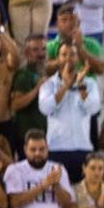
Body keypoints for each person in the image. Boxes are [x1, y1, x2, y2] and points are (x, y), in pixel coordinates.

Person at [37, 43, 98, 183]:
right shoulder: (48, 85)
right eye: (64, 54)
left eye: (72, 54)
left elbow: (93, 109)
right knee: (59, 196)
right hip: (56, 149)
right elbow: (45, 108)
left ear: (78, 58)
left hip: (83, 149)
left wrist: (80, 85)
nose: (68, 58)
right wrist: (66, 86)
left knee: (81, 198)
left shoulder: (90, 84)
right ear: (58, 59)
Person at [8, 33, 46, 149]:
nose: (40, 53)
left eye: (43, 49)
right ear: (26, 52)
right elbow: (15, 105)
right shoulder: (24, 75)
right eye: (35, 50)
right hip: (26, 136)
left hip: (42, 136)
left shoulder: (42, 73)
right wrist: (37, 89)